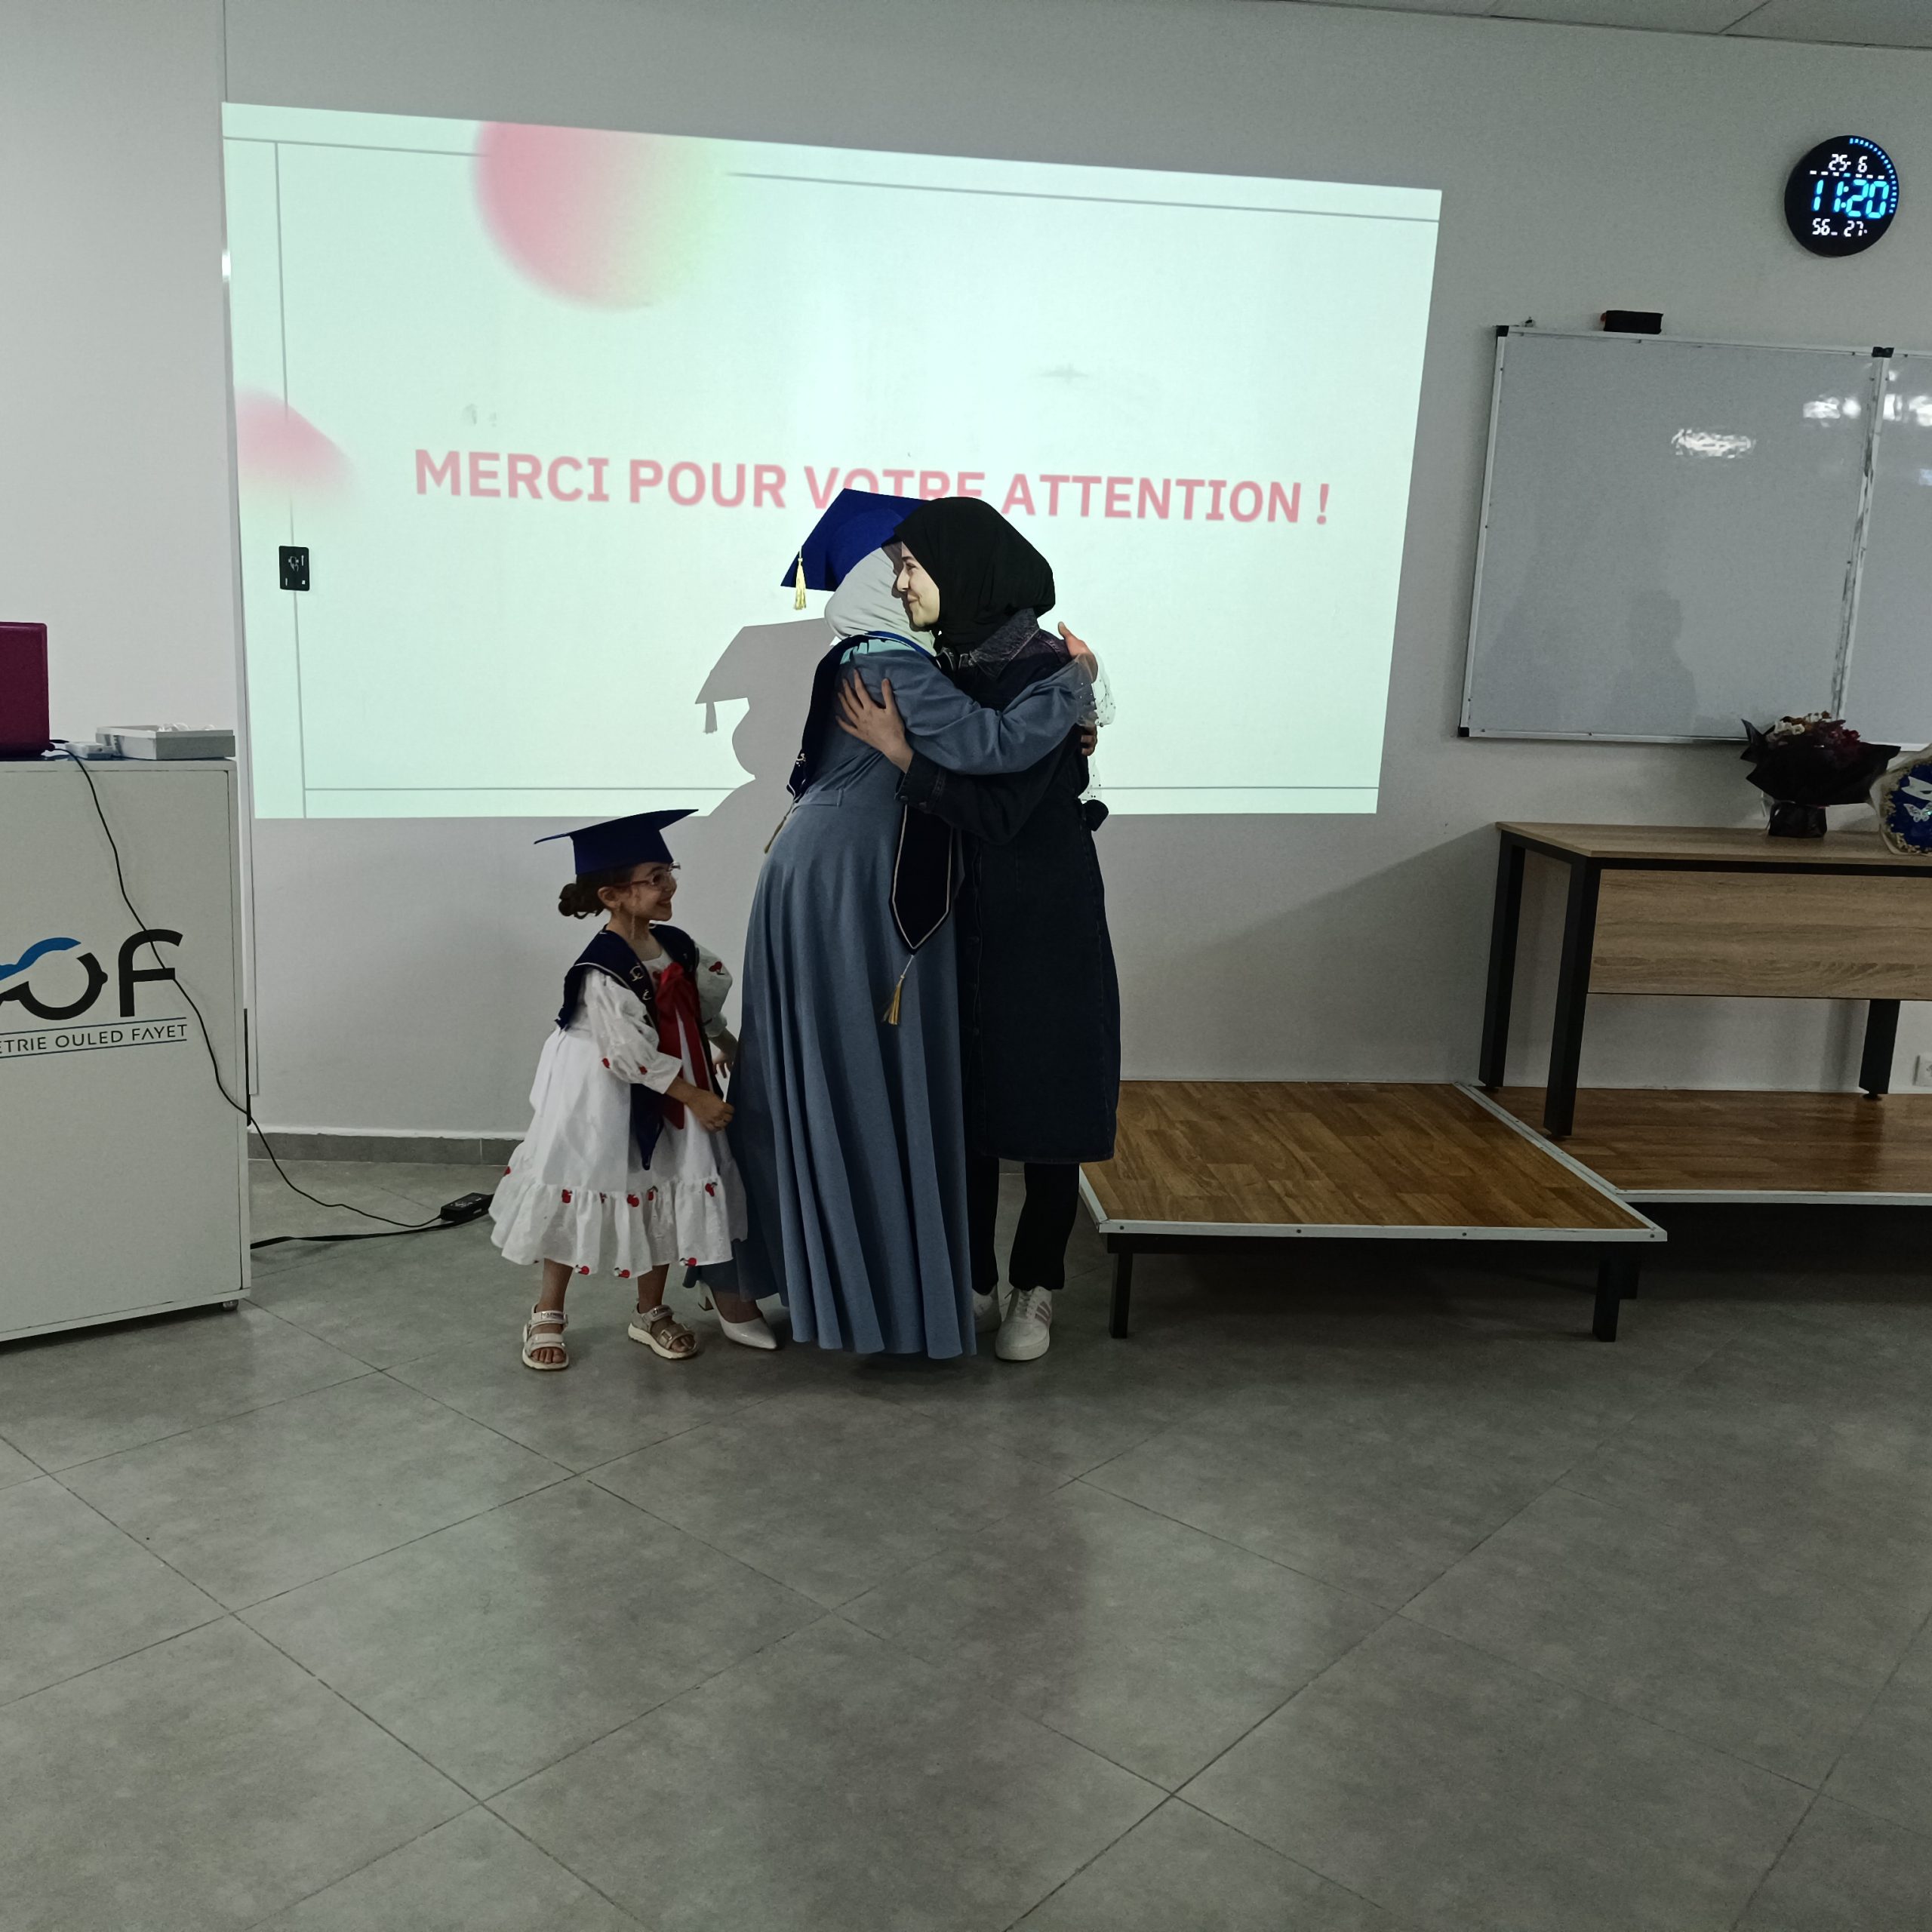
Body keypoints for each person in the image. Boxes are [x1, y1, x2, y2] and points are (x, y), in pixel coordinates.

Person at [731, 493, 1096, 1358]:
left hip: (1002, 904)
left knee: (1027, 1095)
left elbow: (1017, 779)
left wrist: (1077, 709)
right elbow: (987, 749)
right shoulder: (902, 662)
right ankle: (935, 1285)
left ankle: (1008, 1285)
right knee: (919, 1087)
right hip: (885, 891)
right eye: (893, 569)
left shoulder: (968, 659)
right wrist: (1080, 689)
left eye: (912, 566)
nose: (902, 583)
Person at [837, 498, 1119, 1362]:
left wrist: (901, 754)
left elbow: (998, 814)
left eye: (911, 567)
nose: (900, 584)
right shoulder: (949, 663)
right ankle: (973, 1276)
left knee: (1048, 1100)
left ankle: (1035, 1284)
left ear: (963, 569)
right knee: (967, 1098)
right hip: (967, 910)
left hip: (1043, 913)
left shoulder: (1041, 668)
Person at [491, 809, 777, 1369]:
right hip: (602, 1097)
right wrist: (696, 1097)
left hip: (672, 1081)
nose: (669, 886)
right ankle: (548, 1309)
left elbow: (701, 1006)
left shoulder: (677, 945)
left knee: (663, 1187)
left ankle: (650, 1310)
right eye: (654, 878)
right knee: (581, 1182)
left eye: (670, 872)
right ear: (614, 895)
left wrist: (729, 1047)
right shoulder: (602, 968)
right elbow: (626, 1055)